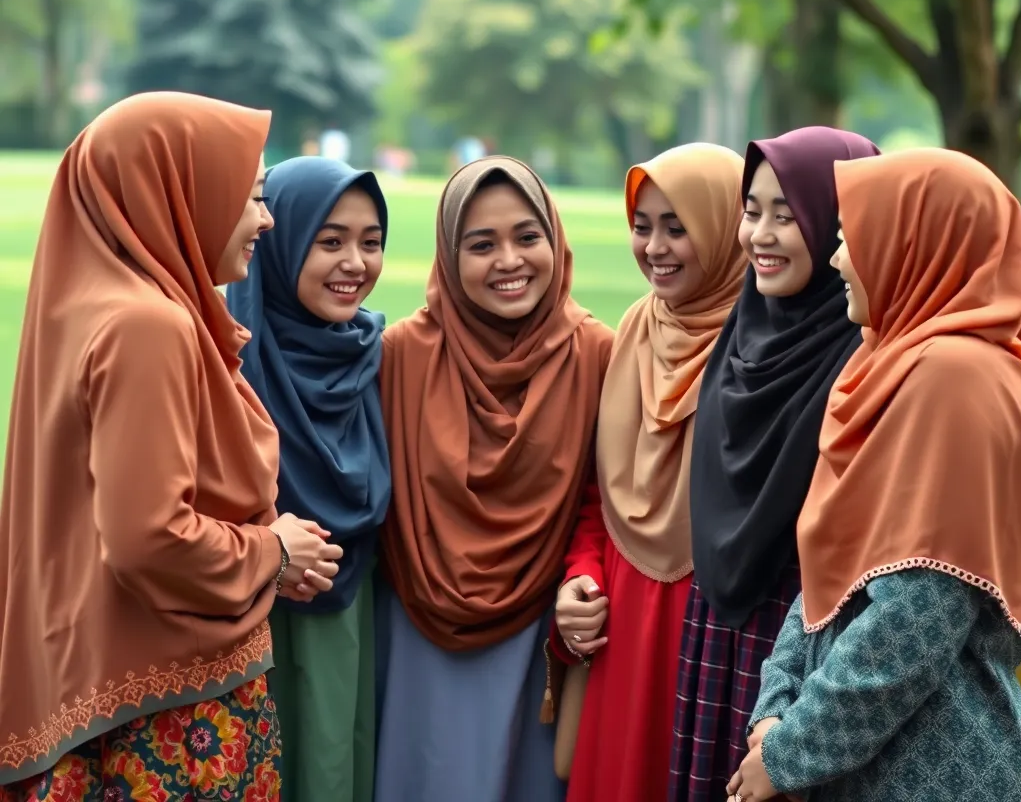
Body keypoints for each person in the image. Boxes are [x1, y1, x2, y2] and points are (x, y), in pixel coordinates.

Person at [0, 92, 341, 801]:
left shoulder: (86, 308)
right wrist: (273, 551)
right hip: (167, 726)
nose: (265, 220)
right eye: (249, 196)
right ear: (181, 192)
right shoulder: (147, 327)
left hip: (95, 693)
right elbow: (149, 538)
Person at [728, 147, 1021, 801]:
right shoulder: (886, 365)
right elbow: (830, 571)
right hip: (859, 758)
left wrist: (789, 752)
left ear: (917, 243)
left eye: (851, 240)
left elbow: (920, 615)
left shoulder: (958, 380)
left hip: (935, 768)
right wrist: (774, 711)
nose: (837, 260)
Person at [373, 157, 615, 802]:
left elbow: (605, 501)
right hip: (414, 627)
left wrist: (579, 580)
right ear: (450, 258)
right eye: (481, 245)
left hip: (541, 635)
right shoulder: (399, 356)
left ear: (554, 240)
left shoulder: (598, 355)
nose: (509, 260)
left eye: (527, 237)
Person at [668, 127, 879, 802]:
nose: (760, 234)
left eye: (787, 216)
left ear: (842, 224)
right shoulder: (742, 332)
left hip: (800, 634)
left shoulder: (865, 355)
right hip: (720, 618)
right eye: (751, 211)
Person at [550, 144, 746, 802]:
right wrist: (583, 575)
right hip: (623, 623)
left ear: (723, 227)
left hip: (712, 625)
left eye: (678, 226)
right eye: (643, 225)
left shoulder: (760, 343)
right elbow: (596, 495)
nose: (655, 247)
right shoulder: (633, 329)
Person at [227, 156, 391, 802]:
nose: (355, 262)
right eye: (330, 241)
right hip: (245, 627)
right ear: (280, 238)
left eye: (371, 242)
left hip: (347, 623)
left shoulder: (374, 355)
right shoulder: (225, 358)